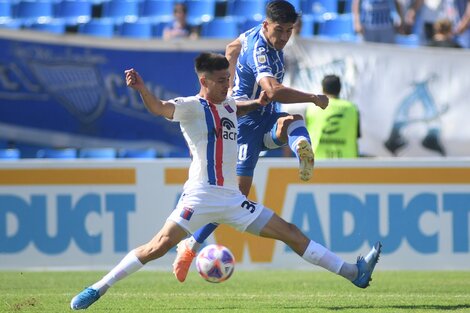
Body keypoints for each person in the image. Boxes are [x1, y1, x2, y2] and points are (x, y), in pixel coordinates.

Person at [69, 52, 382, 310]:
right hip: (200, 198)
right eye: (221, 82)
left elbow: (237, 105)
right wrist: (141, 89)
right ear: (204, 81)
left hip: (233, 199)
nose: (227, 86)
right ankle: (97, 288)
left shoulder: (229, 103)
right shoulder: (190, 107)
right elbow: (159, 108)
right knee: (157, 247)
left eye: (229, 80)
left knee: (291, 232)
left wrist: (258, 104)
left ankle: (354, 273)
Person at [172, 0, 331, 283]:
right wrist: (312, 97)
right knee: (236, 196)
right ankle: (191, 245)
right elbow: (273, 89)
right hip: (244, 123)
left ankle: (301, 153)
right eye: (279, 30)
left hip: (266, 116)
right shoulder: (261, 52)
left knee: (292, 121)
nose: (283, 37)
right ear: (266, 25)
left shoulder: (251, 36)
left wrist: (229, 74)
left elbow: (232, 47)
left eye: (289, 31)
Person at [305, 75, 361, 159]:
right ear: (340, 89)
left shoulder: (312, 108)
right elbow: (357, 135)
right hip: (347, 162)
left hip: (317, 161)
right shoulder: (352, 108)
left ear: (322, 89)